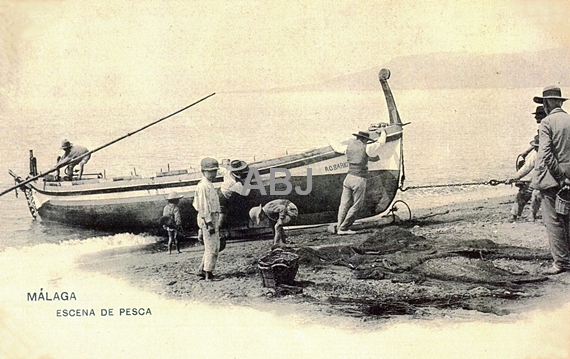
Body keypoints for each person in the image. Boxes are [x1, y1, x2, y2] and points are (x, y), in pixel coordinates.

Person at [533, 85, 570, 275]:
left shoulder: (547, 123)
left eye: (544, 103)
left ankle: (561, 263)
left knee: (554, 221)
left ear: (547, 103)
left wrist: (561, 177)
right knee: (568, 219)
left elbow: (546, 154)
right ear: (560, 102)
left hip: (554, 180)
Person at [335, 129, 386, 235]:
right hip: (359, 179)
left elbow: (336, 147)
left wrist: (328, 138)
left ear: (357, 138)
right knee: (357, 205)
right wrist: (383, 132)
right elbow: (381, 142)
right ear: (365, 139)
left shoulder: (348, 147)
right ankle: (344, 228)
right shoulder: (367, 147)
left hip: (348, 178)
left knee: (344, 204)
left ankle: (339, 226)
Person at [193, 157, 221, 281]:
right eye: (210, 171)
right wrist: (209, 223)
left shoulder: (208, 184)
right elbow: (203, 207)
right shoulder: (203, 186)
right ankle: (208, 274)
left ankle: (202, 270)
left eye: (214, 171)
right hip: (208, 218)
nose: (213, 173)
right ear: (203, 171)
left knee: (210, 246)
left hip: (211, 217)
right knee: (213, 248)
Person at [507, 135, 541, 222]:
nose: (535, 149)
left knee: (536, 194)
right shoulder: (536, 154)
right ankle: (514, 214)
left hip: (548, 180)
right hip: (537, 179)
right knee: (523, 192)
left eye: (537, 147)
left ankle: (532, 214)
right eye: (535, 147)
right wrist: (514, 178)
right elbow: (526, 168)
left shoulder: (551, 154)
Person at [218, 159, 251, 237]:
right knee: (221, 215)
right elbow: (246, 193)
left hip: (221, 191)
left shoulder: (228, 172)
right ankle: (216, 231)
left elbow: (221, 170)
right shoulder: (235, 183)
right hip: (223, 198)